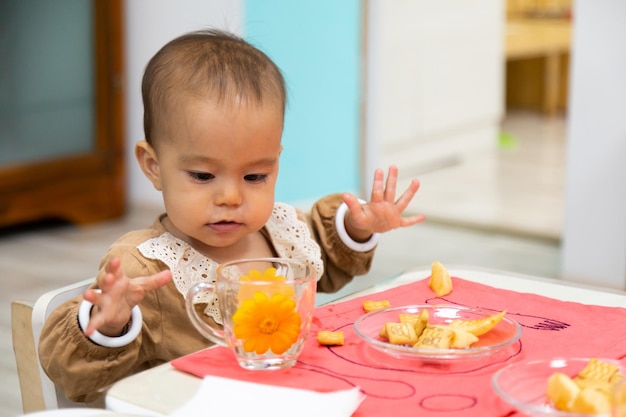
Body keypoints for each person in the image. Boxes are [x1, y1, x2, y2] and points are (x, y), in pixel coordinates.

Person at [38, 29, 424, 403]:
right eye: (203, 176)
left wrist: (357, 226)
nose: (230, 197)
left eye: (255, 176)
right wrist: (109, 324)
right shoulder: (147, 270)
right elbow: (71, 374)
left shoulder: (281, 233)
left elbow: (328, 259)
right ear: (153, 166)